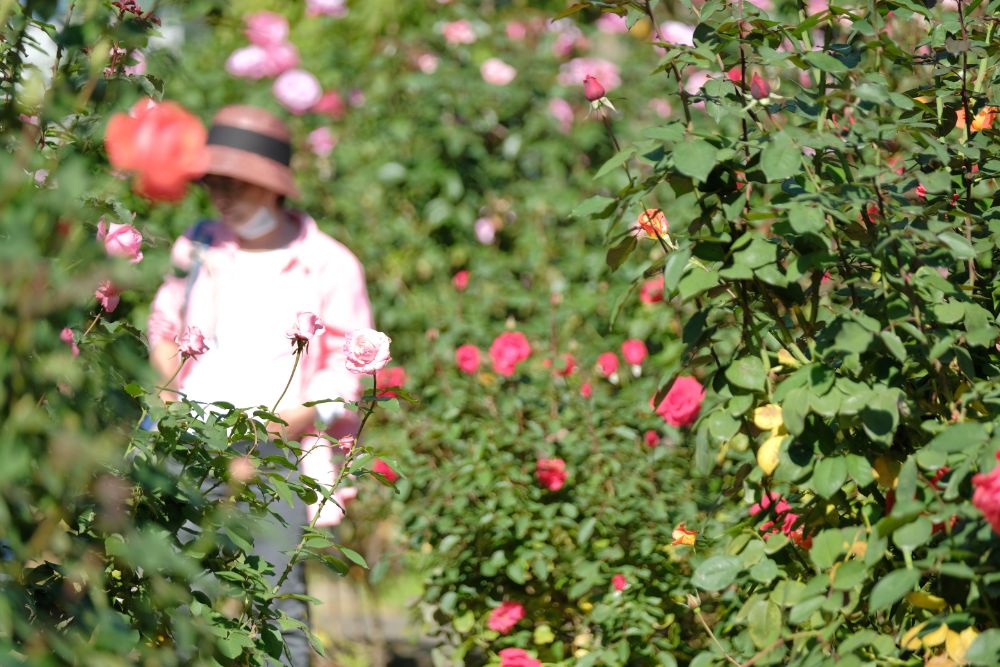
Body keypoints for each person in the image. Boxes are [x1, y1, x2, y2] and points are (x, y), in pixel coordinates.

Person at [146, 105, 372, 666]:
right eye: (214, 182)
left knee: (277, 608)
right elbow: (162, 324)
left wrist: (284, 423)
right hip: (194, 443)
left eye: (235, 184)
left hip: (277, 451)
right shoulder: (196, 244)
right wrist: (171, 391)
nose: (221, 195)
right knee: (180, 602)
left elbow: (348, 368)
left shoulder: (326, 263)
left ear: (272, 188)